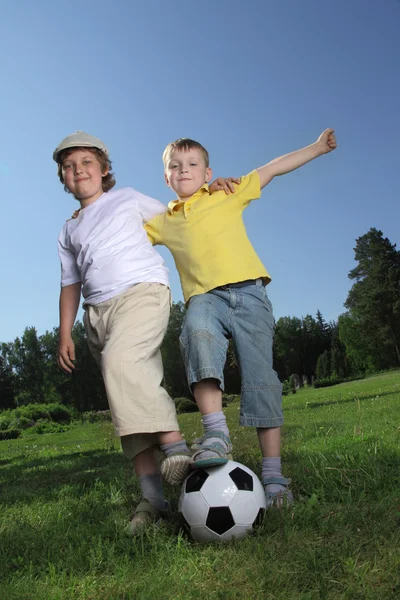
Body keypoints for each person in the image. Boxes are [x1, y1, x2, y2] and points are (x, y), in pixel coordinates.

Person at [145, 129, 337, 508]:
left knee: (261, 379)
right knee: (196, 330)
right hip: (204, 298)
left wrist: (316, 148)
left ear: (207, 172)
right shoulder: (162, 221)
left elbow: (273, 168)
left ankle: (274, 476)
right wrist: (89, 213)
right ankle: (216, 434)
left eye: (192, 164)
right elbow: (119, 232)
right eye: (175, 166)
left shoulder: (226, 193)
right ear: (166, 177)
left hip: (250, 294)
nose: (184, 170)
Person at [54, 131, 234, 533]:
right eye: (69, 166)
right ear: (63, 179)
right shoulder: (68, 231)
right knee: (124, 400)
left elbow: (178, 212)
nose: (78, 170)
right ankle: (153, 498)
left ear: (103, 169)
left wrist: (209, 187)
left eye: (86, 162)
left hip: (142, 293)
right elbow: (70, 283)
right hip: (96, 313)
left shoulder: (128, 198)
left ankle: (174, 445)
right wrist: (65, 332)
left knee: (121, 365)